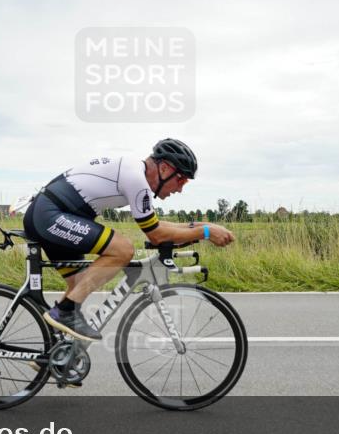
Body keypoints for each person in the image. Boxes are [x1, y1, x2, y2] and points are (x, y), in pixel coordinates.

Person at [23, 138, 236, 341]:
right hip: (49, 215)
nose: (180, 189)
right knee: (122, 250)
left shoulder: (134, 173)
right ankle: (64, 312)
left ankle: (54, 354)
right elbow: (157, 235)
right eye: (180, 179)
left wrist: (202, 227)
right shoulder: (136, 179)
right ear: (164, 169)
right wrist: (205, 232)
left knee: (79, 284)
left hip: (55, 214)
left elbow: (156, 225)